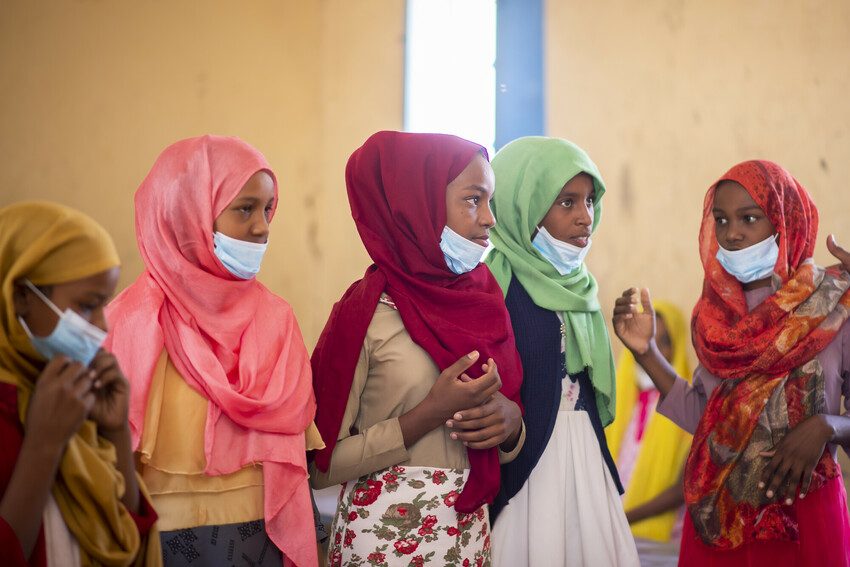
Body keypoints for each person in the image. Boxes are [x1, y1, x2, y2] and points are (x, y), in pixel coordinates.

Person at [613, 159, 850, 565]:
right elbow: (711, 422)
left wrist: (827, 425)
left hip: (805, 515)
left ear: (783, 220)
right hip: (721, 515)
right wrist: (646, 352)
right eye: (721, 220)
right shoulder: (715, 318)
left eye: (749, 218)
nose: (732, 233)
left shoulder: (833, 307)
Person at [310, 131, 525, 566]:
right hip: (381, 540)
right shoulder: (364, 314)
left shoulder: (483, 303)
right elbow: (320, 466)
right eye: (472, 200)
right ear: (416, 204)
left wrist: (513, 424)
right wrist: (426, 414)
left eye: (490, 202)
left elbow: (502, 440)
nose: (489, 220)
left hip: (465, 536)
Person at [105, 136, 320, 566]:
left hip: (258, 537)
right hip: (154, 539)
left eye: (268, 208)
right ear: (187, 213)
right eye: (245, 208)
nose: (262, 226)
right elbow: (105, 463)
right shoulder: (128, 324)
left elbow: (299, 458)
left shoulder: (276, 319)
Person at [484, 136, 639, 566]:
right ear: (524, 205)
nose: (584, 217)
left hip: (584, 452)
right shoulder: (494, 285)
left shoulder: (582, 287)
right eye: (567, 203)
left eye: (590, 202)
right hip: (526, 461)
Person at [0, 201, 159, 566]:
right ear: (21, 297)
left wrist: (116, 431)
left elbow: (125, 539)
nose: (102, 327)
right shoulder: (37, 408)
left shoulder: (70, 394)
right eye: (88, 306)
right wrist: (43, 446)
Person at [606, 301, 692, 561]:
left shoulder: (687, 406)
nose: (653, 350)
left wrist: (623, 518)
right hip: (610, 532)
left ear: (677, 347)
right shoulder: (619, 398)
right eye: (648, 340)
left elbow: (683, 489)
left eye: (664, 341)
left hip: (658, 543)